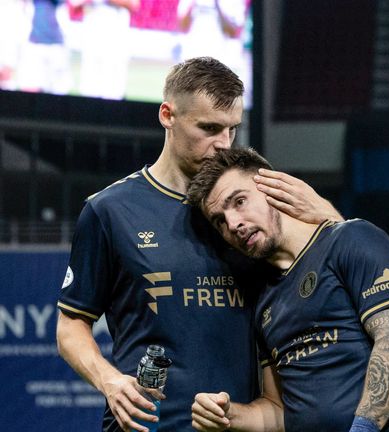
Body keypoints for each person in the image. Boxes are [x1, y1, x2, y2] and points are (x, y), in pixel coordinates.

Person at [56, 57, 340, 432]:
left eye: (232, 130)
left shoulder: (254, 207)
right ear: (167, 115)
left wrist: (325, 213)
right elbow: (71, 325)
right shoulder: (109, 211)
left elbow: (338, 258)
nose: (223, 145)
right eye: (209, 128)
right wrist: (109, 381)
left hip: (239, 424)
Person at [185, 148, 389, 432]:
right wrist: (227, 415)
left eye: (239, 201)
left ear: (272, 187)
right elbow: (277, 409)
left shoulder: (351, 239)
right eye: (219, 221)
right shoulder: (263, 300)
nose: (233, 224)